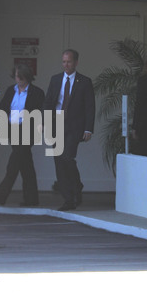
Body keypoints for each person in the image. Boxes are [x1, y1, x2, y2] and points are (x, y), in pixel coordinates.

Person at [43, 49, 95, 211]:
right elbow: (49, 102)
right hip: (56, 124)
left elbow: (90, 107)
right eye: (64, 61)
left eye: (69, 62)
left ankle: (76, 186)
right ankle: (68, 198)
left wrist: (88, 129)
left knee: (67, 158)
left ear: (76, 62)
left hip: (74, 126)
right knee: (59, 161)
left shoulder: (84, 81)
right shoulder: (56, 79)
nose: (66, 65)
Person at [0, 63, 45, 206]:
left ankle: (2, 191)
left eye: (20, 77)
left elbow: (42, 113)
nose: (18, 80)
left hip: (28, 131)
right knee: (25, 164)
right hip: (13, 130)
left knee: (14, 162)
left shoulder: (37, 92)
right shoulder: (11, 90)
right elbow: (3, 109)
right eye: (16, 76)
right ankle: (31, 199)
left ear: (27, 77)